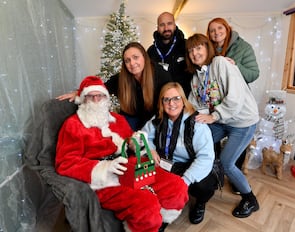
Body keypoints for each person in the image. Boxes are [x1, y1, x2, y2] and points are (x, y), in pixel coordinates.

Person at [55, 76, 189, 232]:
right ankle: (146, 225)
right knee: (146, 203)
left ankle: (158, 225)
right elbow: (65, 163)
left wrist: (136, 142)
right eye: (91, 96)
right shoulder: (73, 125)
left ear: (106, 97)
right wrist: (105, 167)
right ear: (84, 99)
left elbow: (129, 142)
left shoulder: (117, 119)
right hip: (102, 180)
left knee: (176, 186)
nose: (97, 100)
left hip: (128, 166)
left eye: (100, 95)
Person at [185, 33, 260, 218]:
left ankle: (250, 199)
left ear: (207, 48)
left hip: (242, 122)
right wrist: (191, 119)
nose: (195, 53)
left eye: (199, 47)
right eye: (191, 50)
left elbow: (235, 98)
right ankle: (204, 191)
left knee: (227, 163)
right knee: (198, 143)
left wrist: (214, 116)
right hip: (222, 120)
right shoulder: (196, 78)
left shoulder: (220, 63)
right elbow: (196, 104)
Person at [142, 82, 218, 225]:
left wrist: (185, 181)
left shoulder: (197, 123)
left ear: (183, 100)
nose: (171, 103)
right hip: (167, 162)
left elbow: (205, 157)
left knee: (204, 185)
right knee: (142, 166)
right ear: (162, 102)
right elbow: (143, 137)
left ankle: (200, 203)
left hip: (189, 165)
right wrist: (150, 149)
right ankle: (150, 202)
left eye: (176, 98)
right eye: (166, 99)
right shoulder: (158, 119)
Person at [57, 42, 172, 131]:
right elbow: (100, 88)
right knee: (123, 138)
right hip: (131, 116)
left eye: (135, 57)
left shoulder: (160, 74)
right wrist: (79, 92)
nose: (132, 63)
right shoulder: (122, 78)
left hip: (155, 117)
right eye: (127, 60)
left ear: (144, 57)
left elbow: (172, 97)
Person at [207, 17, 260, 193]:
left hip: (237, 105)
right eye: (212, 30)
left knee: (232, 157)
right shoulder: (210, 50)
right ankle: (216, 176)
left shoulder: (243, 47)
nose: (216, 33)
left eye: (220, 28)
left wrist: (235, 66)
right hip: (220, 108)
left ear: (227, 28)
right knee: (208, 140)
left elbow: (253, 74)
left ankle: (239, 186)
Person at [147, 12, 192, 96]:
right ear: (157, 28)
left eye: (169, 24)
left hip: (184, 98)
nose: (166, 28)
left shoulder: (186, 46)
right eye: (162, 25)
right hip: (160, 100)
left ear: (175, 25)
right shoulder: (151, 51)